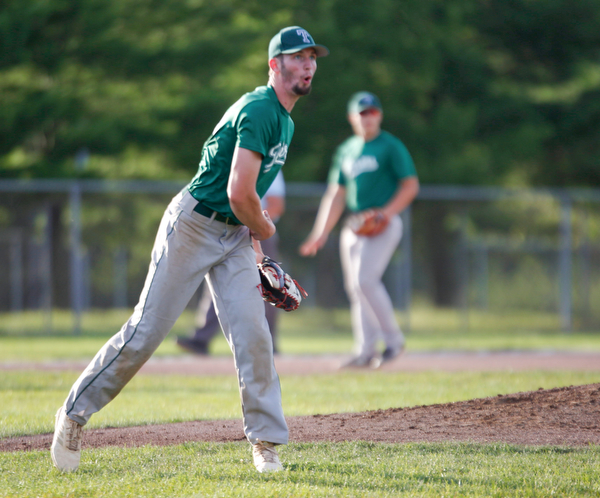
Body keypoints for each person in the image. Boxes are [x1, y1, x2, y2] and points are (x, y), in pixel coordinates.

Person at [51, 26, 328, 474]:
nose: (308, 64)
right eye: (297, 57)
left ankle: (266, 443)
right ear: (275, 65)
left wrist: (256, 248)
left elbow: (247, 196)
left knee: (254, 335)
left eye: (312, 57)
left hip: (235, 234)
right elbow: (241, 195)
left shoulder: (286, 120)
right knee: (146, 333)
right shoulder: (260, 109)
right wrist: (266, 226)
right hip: (194, 225)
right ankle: (73, 415)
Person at [299, 91, 419, 368]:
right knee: (354, 287)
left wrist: (385, 214)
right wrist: (321, 231)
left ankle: (394, 341)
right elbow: (336, 194)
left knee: (365, 280)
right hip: (354, 224)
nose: (368, 117)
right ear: (352, 117)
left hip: (383, 221)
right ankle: (365, 350)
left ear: (380, 115)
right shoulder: (347, 150)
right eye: (362, 113)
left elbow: (410, 185)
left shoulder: (390, 145)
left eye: (373, 112)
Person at [176, 170, 286, 355]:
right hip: (225, 230)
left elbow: (276, 205)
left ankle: (268, 343)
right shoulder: (227, 158)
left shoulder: (269, 160)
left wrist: (254, 225)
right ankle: (201, 339)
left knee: (266, 287)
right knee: (215, 284)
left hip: (257, 232)